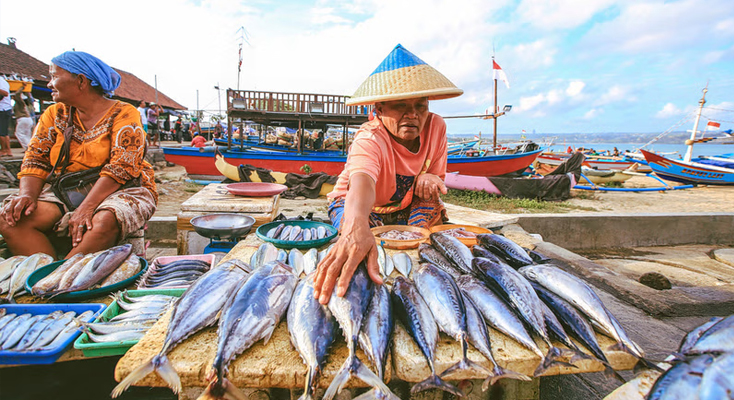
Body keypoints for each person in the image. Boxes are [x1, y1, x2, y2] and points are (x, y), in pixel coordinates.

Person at [313, 44, 463, 304]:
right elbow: (362, 182)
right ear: (379, 110)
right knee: (364, 241)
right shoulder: (369, 138)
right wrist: (357, 224)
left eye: (420, 105)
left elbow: (438, 179)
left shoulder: (436, 127)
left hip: (404, 203)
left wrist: (431, 178)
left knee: (416, 241)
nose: (413, 114)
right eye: (400, 106)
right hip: (359, 204)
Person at [0, 51, 157, 258]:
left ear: (81, 81)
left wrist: (87, 208)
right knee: (11, 218)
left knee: (103, 221)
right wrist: (27, 195)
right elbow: (35, 159)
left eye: (54, 76)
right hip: (67, 189)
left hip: (122, 188)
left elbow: (122, 167)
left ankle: (61, 278)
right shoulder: (55, 114)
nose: (49, 84)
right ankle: (46, 276)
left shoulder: (124, 112)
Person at [12, 82, 34, 150]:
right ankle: (30, 147)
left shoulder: (20, 102)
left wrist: (22, 87)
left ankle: (28, 147)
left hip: (23, 119)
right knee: (27, 135)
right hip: (28, 119)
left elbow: (17, 94)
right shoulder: (24, 104)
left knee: (19, 133)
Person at [0, 76, 12, 157]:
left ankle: (4, 150)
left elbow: (5, 93)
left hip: (3, 109)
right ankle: (7, 150)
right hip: (4, 109)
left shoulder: (1, 81)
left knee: (2, 132)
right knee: (4, 131)